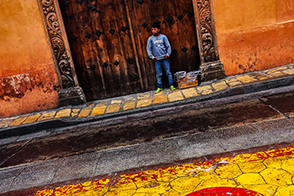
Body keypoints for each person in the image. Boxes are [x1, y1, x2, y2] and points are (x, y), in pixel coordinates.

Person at [147, 22, 176, 94]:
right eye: (152, 29)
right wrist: (152, 57)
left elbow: (168, 46)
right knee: (159, 74)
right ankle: (159, 87)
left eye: (155, 29)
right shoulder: (150, 39)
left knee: (168, 72)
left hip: (164, 58)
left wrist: (168, 54)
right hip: (157, 60)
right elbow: (148, 48)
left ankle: (171, 85)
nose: (153, 31)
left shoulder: (163, 37)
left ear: (159, 30)